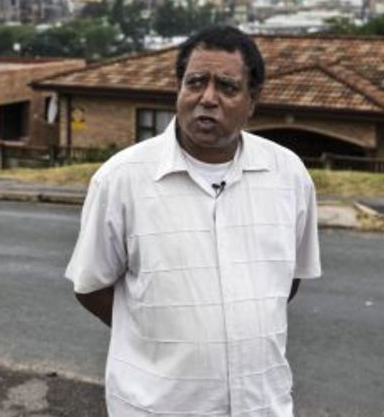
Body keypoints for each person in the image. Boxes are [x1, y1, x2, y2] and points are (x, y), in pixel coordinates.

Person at [65, 25, 321, 416]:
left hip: (261, 404)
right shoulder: (122, 179)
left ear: (253, 101)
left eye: (228, 87)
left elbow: (287, 281)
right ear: (178, 89)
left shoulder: (288, 175)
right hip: (159, 406)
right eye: (196, 82)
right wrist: (158, 335)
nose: (207, 98)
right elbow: (90, 287)